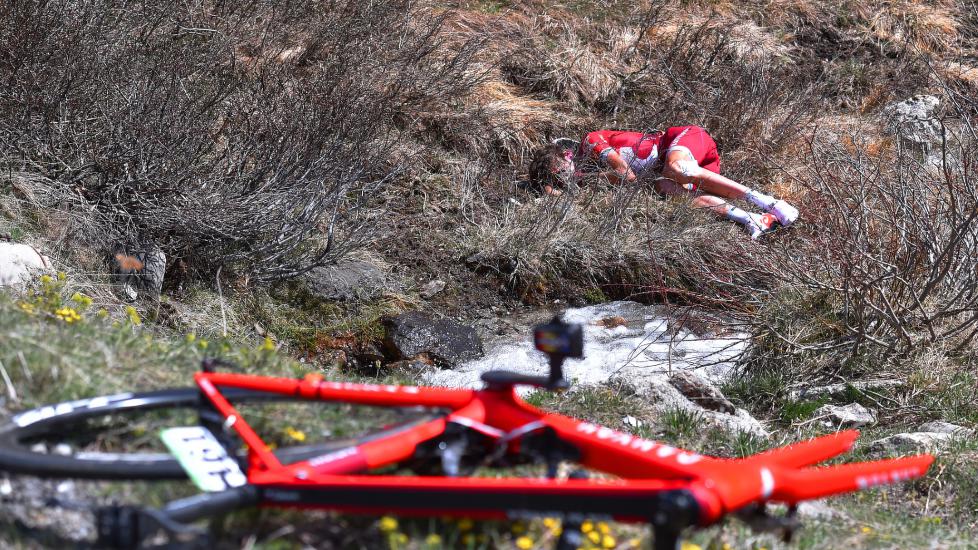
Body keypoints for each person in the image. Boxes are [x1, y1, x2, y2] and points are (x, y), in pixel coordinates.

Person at [527, 126, 799, 238]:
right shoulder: (589, 175)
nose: (564, 177)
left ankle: (770, 201)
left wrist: (587, 178)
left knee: (677, 167)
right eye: (558, 177)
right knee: (668, 189)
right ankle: (751, 218)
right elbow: (555, 196)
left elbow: (626, 174)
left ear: (565, 153)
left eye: (559, 170)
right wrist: (549, 188)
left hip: (684, 141)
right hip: (688, 170)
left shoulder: (590, 142)